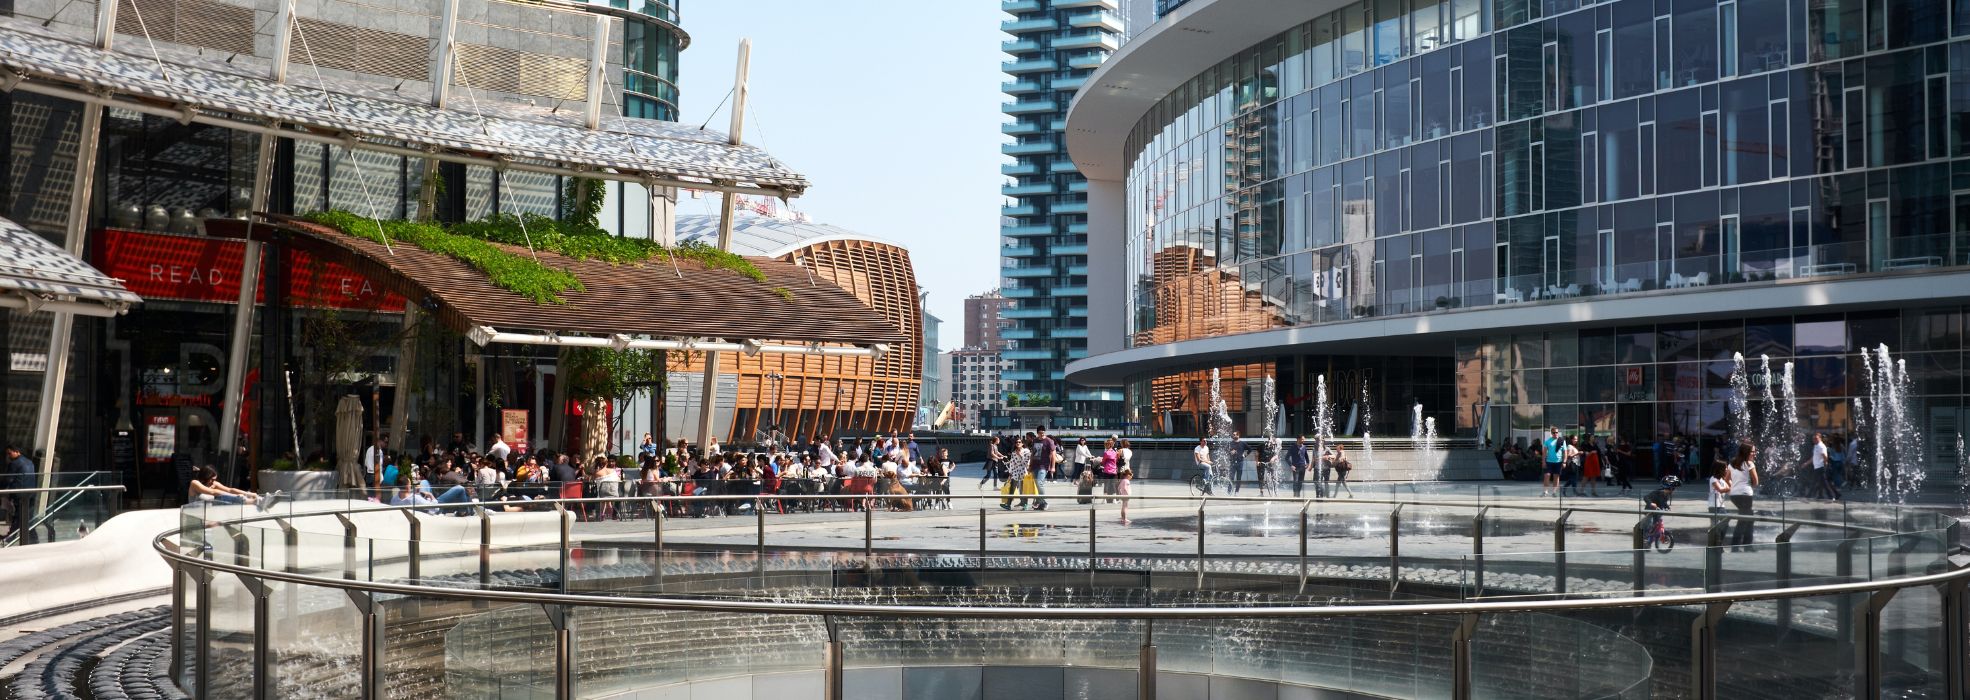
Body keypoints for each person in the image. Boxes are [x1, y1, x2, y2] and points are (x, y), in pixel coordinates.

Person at [1727, 441, 1760, 550]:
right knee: (1744, 520)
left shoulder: (1732, 463)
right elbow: (1756, 481)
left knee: (1747, 518)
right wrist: (1749, 487)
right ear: (1746, 452)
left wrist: (1732, 489)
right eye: (1752, 452)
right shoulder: (1749, 464)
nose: (1754, 454)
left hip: (1734, 495)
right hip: (1745, 494)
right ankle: (1738, 546)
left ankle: (1745, 545)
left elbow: (1727, 480)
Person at [4, 445, 34, 541]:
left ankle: (11, 537)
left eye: (9, 453)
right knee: (27, 517)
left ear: (16, 451)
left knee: (18, 516)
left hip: (19, 493)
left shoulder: (14, 464)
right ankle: (34, 538)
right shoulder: (30, 462)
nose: (8, 456)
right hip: (30, 493)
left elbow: (8, 479)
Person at [1000, 436, 1036, 510]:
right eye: (1016, 442)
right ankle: (1008, 504)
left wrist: (1019, 454)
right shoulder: (1014, 452)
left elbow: (1026, 462)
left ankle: (1025, 504)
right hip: (1015, 471)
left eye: (1019, 442)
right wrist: (1010, 473)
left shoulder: (1026, 451)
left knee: (1023, 489)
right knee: (1012, 488)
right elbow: (1012, 463)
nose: (1018, 443)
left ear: (1022, 443)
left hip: (1024, 471)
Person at [1804, 433, 1841, 500]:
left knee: (1820, 482)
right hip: (1817, 467)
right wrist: (1806, 463)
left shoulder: (1821, 446)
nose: (1814, 440)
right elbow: (1814, 457)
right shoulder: (1816, 446)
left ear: (1820, 438)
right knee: (1823, 482)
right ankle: (1833, 494)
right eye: (1813, 439)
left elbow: (1825, 456)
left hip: (1820, 467)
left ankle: (1830, 496)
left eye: (1816, 438)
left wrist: (1825, 464)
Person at [1540, 428, 1565, 497]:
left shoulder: (1562, 441)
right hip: (1549, 461)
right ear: (1551, 433)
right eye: (1553, 433)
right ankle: (1545, 491)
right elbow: (1544, 452)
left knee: (1556, 476)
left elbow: (1565, 452)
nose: (1555, 434)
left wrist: (1564, 462)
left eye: (1556, 432)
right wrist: (1543, 462)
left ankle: (1554, 492)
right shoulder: (1547, 441)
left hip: (1558, 462)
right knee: (1547, 475)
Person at [1098, 438, 1120, 502]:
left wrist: (1102, 464)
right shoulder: (1115, 453)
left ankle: (1104, 499)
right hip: (1113, 471)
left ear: (1107, 445)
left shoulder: (1106, 453)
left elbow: (1103, 461)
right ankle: (1114, 500)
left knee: (1106, 485)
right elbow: (1116, 461)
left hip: (1107, 470)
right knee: (1113, 485)